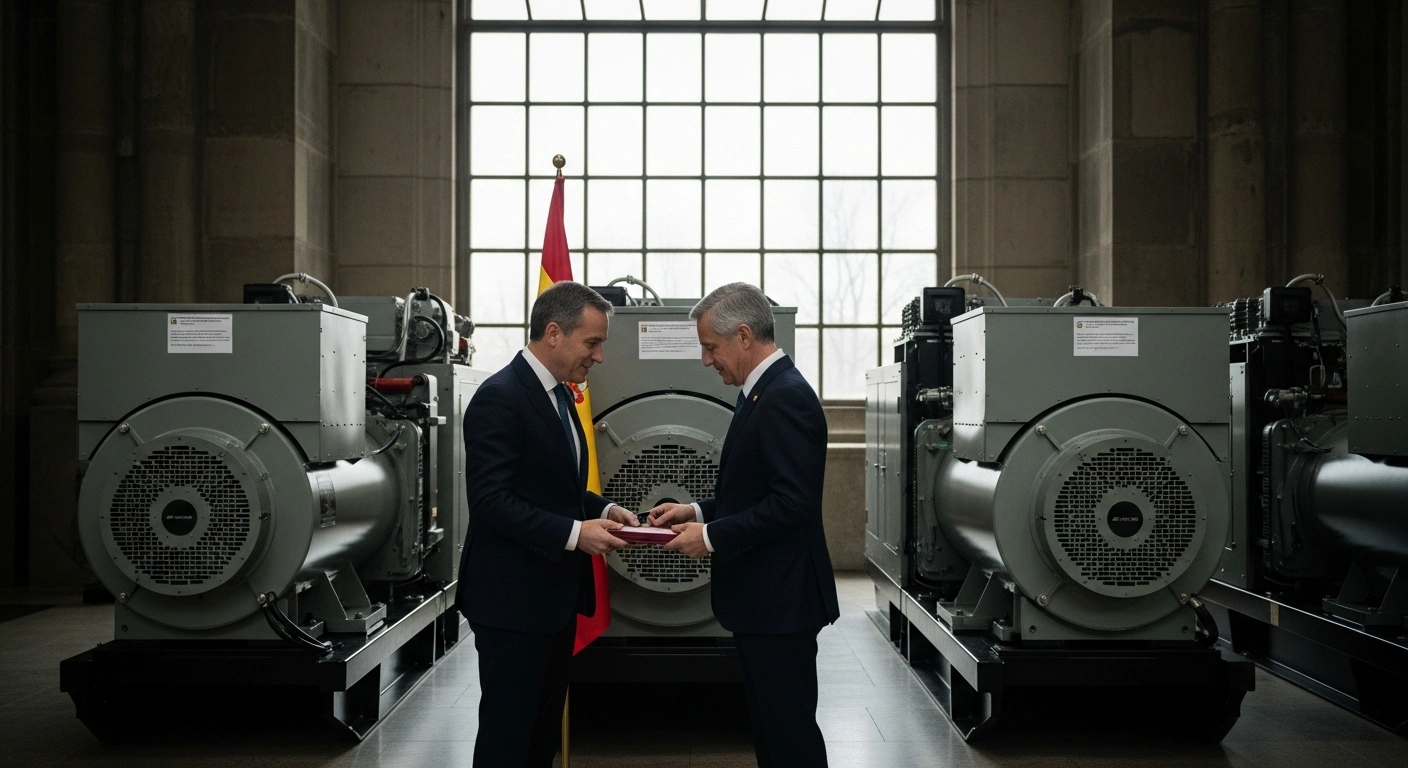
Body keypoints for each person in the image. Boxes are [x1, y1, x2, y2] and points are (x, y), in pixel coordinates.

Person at [647, 281, 840, 768]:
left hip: (781, 602)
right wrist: (697, 511)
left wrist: (709, 538)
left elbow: (791, 505)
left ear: (745, 336)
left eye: (711, 348)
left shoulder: (785, 397)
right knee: (773, 731)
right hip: (764, 602)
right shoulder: (761, 393)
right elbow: (756, 492)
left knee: (789, 736)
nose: (708, 361)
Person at [456, 281, 638, 768]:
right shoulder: (501, 397)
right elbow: (492, 502)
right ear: (553, 333)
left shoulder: (559, 395)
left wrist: (601, 509)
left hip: (550, 598)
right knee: (508, 736)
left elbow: (554, 483)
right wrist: (577, 533)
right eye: (592, 343)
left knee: (540, 735)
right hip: (512, 601)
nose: (598, 357)